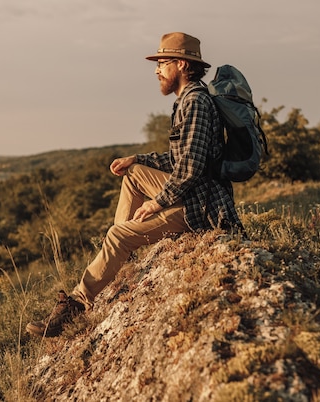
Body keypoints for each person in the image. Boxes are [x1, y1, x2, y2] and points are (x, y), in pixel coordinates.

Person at [26, 32, 244, 337]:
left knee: (118, 234)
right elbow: (180, 158)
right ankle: (122, 254)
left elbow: (190, 169)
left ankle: (77, 303)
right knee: (133, 173)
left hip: (200, 206)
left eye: (162, 62)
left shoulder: (195, 102)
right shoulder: (190, 99)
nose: (156, 70)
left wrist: (157, 203)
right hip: (195, 194)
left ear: (182, 64)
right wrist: (136, 158)